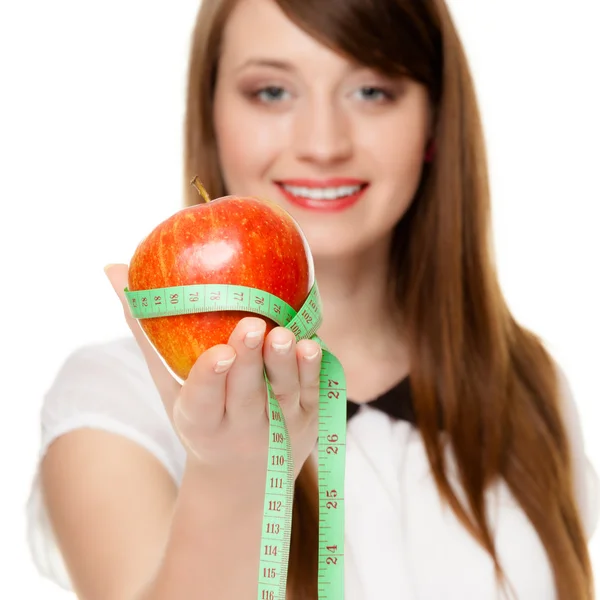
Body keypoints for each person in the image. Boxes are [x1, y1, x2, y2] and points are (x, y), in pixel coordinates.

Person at [26, 0, 598, 598]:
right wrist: (230, 473)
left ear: (434, 122)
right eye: (272, 91)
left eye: (373, 91)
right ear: (210, 113)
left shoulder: (531, 388)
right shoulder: (114, 401)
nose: (324, 144)